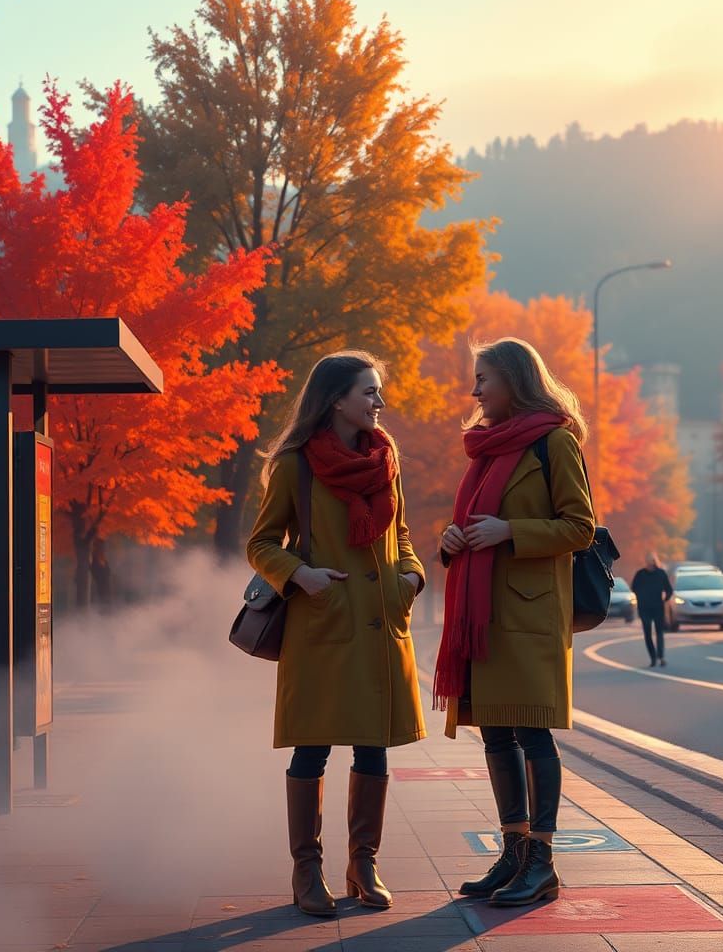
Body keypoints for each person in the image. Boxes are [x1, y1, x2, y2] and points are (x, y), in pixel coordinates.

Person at [247, 351, 427, 917]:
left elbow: (402, 534)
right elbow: (260, 544)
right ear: (336, 399)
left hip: (380, 623)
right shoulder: (296, 464)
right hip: (324, 624)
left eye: (379, 391)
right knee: (313, 748)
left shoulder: (386, 456)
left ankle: (362, 864)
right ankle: (307, 871)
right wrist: (299, 574)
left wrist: (412, 577)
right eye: (369, 392)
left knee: (372, 746)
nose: (380, 402)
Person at [436, 337, 594, 908]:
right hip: (483, 613)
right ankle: (513, 850)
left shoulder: (554, 441)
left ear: (514, 380)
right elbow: (469, 521)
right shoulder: (482, 449)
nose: (475, 390)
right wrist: (451, 540)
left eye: (484, 379)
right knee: (496, 732)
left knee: (532, 732)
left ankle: (543, 862)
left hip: (526, 613)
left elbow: (580, 526)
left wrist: (511, 533)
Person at [631, 552, 673, 668]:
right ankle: (653, 658)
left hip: (658, 607)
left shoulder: (661, 574)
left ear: (655, 561)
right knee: (648, 634)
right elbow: (633, 587)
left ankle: (661, 657)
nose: (650, 564)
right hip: (644, 608)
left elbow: (669, 589)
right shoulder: (640, 574)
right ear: (646, 562)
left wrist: (666, 599)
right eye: (648, 561)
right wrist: (641, 596)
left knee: (659, 633)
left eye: (652, 561)